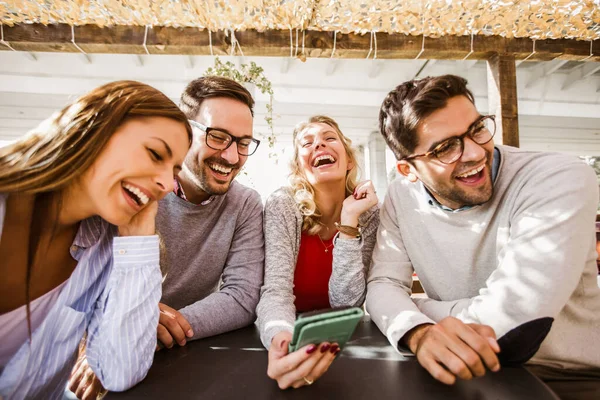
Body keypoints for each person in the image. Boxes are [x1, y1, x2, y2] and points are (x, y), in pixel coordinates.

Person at [368, 74, 600, 399]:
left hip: (572, 379)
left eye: (477, 128)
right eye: (446, 147)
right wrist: (418, 332)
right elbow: (382, 286)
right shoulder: (400, 196)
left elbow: (512, 331)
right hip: (463, 374)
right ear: (408, 171)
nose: (476, 153)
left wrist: (420, 306)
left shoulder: (559, 177)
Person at [68, 76, 265, 399]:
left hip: (178, 354)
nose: (231, 157)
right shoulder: (132, 188)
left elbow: (242, 297)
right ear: (185, 131)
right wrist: (116, 335)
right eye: (217, 137)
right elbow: (80, 284)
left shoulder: (245, 203)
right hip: (101, 347)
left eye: (243, 143)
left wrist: (143, 327)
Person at [0, 80, 192, 399]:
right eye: (155, 153)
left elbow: (120, 371)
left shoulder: (106, 249)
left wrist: (138, 237)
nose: (166, 184)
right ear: (95, 129)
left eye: (173, 172)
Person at [256, 115, 379, 389]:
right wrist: (281, 337)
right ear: (299, 168)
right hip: (289, 329)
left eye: (329, 138)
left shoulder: (367, 213)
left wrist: (349, 223)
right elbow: (276, 291)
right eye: (307, 143)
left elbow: (346, 302)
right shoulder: (282, 205)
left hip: (343, 338)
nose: (319, 145)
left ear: (349, 160)